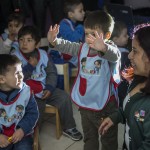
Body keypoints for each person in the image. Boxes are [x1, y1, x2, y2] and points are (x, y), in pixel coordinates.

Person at [47, 10, 121, 150]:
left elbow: (115, 56)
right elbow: (68, 46)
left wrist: (103, 48)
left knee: (108, 141)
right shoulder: (83, 47)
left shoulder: (110, 50)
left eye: (94, 35)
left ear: (107, 35)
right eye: (87, 34)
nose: (89, 38)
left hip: (106, 106)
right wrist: (54, 41)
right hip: (85, 105)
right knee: (89, 138)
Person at [11, 25, 83, 141]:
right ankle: (30, 136)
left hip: (44, 89)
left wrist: (49, 88)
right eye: (21, 40)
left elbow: (52, 73)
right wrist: (30, 67)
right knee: (36, 111)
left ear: (37, 44)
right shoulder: (15, 58)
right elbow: (14, 79)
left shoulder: (43, 55)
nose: (24, 43)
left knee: (64, 97)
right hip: (27, 94)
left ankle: (69, 127)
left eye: (29, 40)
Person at [99, 23, 150, 150]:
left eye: (135, 51)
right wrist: (116, 117)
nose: (129, 55)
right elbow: (135, 112)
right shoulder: (138, 80)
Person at [0, 54, 39, 150]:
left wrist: (22, 129)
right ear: (2, 79)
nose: (21, 76)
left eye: (21, 71)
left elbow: (33, 114)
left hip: (22, 136)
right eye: (17, 73)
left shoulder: (26, 92)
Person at [110, 21, 130, 107]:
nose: (128, 36)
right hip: (122, 89)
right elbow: (129, 76)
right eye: (125, 35)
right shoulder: (125, 55)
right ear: (115, 39)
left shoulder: (108, 52)